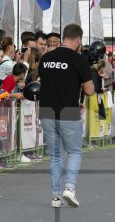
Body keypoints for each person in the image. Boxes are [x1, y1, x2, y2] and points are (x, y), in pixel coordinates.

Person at [38, 24, 94, 208]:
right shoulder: (78, 60)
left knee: (54, 155)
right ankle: (69, 188)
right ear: (78, 40)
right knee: (74, 152)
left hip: (46, 110)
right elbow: (89, 90)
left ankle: (55, 197)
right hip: (68, 111)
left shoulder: (46, 59)